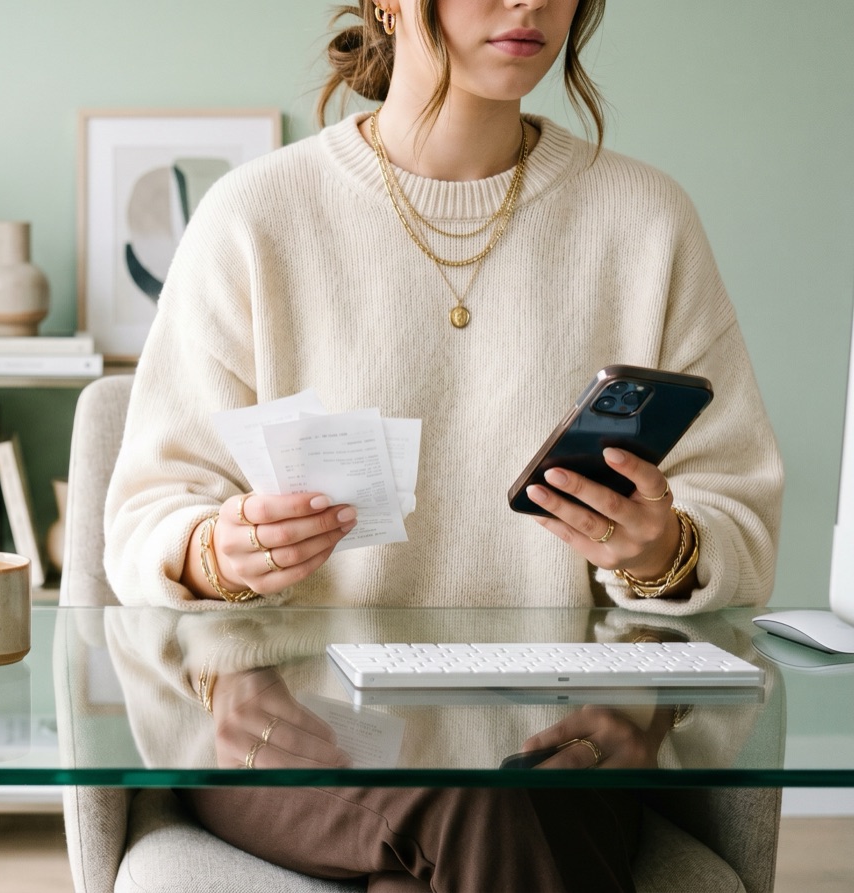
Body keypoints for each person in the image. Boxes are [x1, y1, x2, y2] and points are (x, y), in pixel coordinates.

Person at [101, 0, 784, 890]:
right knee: (475, 809)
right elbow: (144, 516)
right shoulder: (255, 217)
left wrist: (664, 548)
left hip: (563, 736)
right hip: (289, 729)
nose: (531, 2)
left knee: (477, 823)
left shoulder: (645, 220)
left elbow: (737, 506)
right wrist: (215, 550)